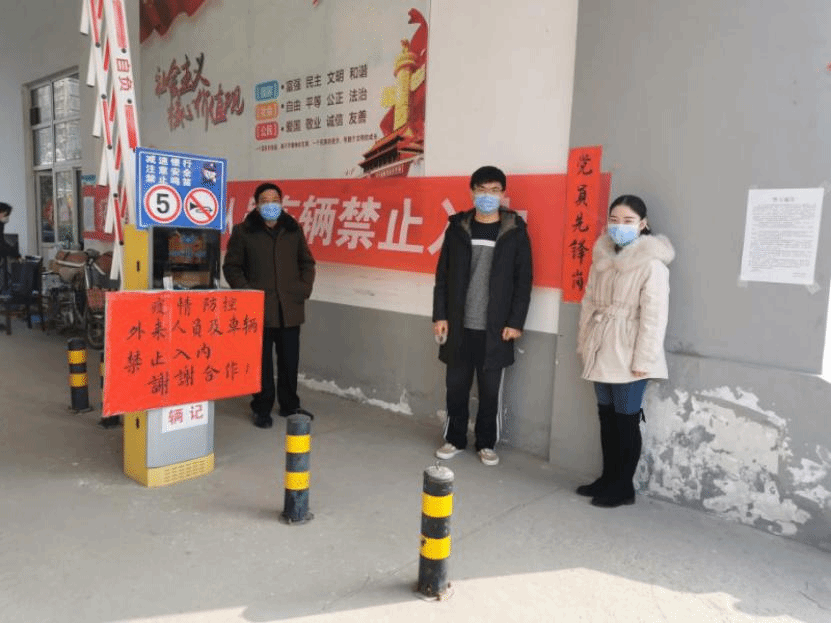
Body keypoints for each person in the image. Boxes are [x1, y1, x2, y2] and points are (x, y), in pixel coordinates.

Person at [576, 194, 674, 507]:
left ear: (642, 224)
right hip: (601, 346)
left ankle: (623, 487)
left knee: (626, 419)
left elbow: (654, 317)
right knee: (606, 416)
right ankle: (607, 478)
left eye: (628, 221)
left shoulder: (652, 265)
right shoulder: (602, 259)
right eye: (614, 220)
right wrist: (585, 341)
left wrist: (644, 360)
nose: (620, 226)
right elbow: (589, 302)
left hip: (630, 350)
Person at [432, 166, 533, 466]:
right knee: (456, 387)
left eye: (494, 190)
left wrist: (515, 322)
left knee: (490, 391)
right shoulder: (457, 228)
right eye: (482, 190)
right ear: (472, 192)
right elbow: (442, 276)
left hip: (496, 327)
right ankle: (454, 439)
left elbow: (523, 280)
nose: (488, 196)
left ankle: (486, 443)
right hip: (459, 324)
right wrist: (440, 315)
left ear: (503, 194)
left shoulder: (514, 231)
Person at [223, 183, 316, 429]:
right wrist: (248, 293)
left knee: (289, 361)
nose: (270, 204)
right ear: (256, 205)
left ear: (281, 203)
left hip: (290, 308)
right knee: (261, 364)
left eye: (275, 200)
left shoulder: (293, 229)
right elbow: (231, 267)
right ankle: (261, 408)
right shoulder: (244, 231)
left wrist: (303, 289)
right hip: (259, 310)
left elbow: (307, 263)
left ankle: (289, 405)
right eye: (265, 201)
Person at [0, 203, 21, 292]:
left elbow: (2, 242)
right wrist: (15, 254)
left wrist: (16, 253)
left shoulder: (1, 224)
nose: (7, 217)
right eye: (6, 214)